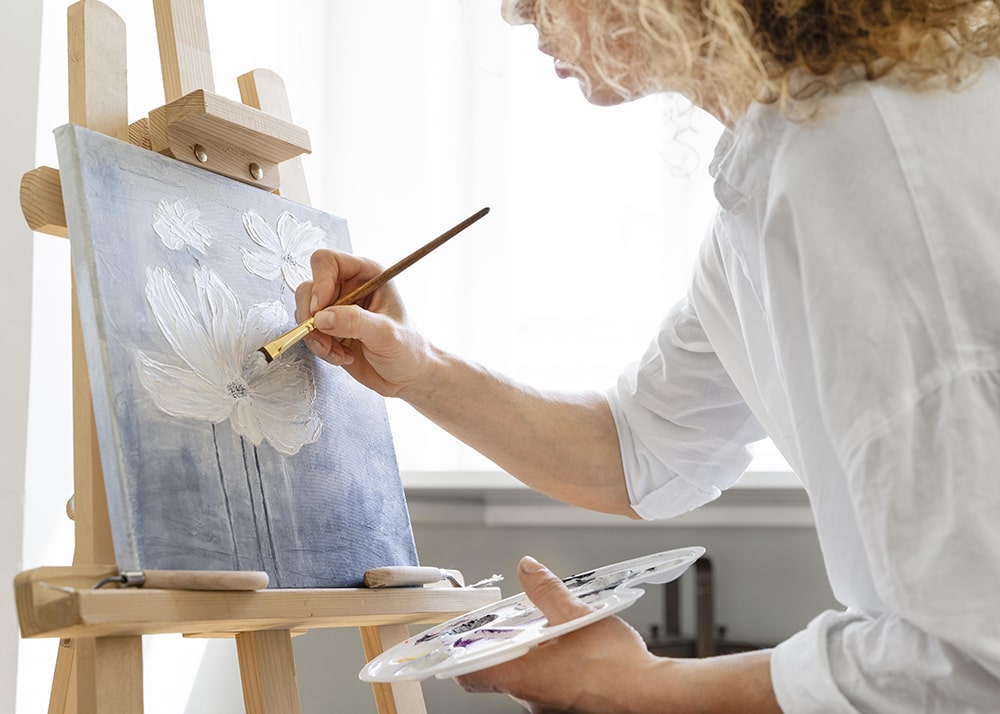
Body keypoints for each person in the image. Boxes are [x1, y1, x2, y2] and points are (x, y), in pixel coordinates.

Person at [296, 0, 1000, 710]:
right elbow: (639, 451)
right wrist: (419, 371)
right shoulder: (782, 167)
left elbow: (968, 659)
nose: (516, 12)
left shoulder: (861, 163)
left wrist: (632, 689)